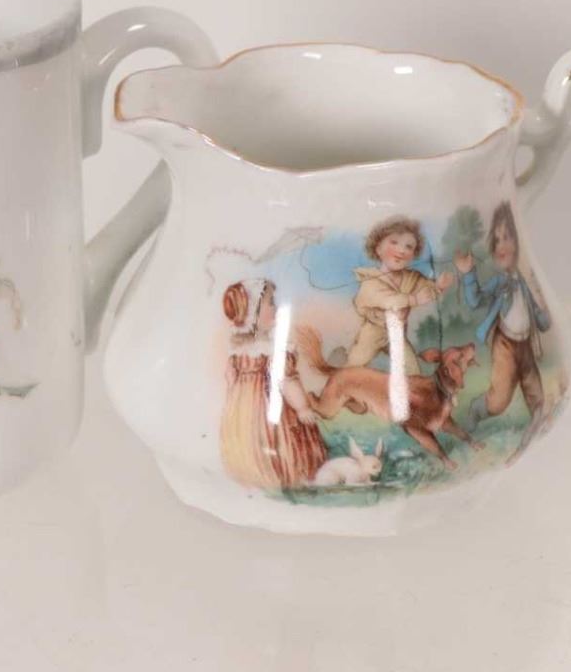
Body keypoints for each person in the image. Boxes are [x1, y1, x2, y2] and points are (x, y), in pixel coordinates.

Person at [219, 279, 327, 490]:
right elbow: (286, 380)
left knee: (247, 438)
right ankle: (284, 474)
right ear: (253, 312)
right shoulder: (272, 350)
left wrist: (234, 399)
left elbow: (230, 378)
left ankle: (251, 474)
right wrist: (302, 407)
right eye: (270, 303)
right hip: (270, 409)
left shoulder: (238, 351)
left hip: (243, 411)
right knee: (278, 440)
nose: (276, 307)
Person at [456, 203, 552, 433]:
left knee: (537, 394)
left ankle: (535, 426)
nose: (501, 245)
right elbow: (475, 301)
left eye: (507, 237)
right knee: (498, 401)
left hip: (526, 345)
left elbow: (542, 321)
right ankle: (475, 410)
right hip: (505, 346)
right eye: (497, 240)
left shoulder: (525, 282)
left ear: (518, 241)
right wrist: (468, 274)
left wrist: (543, 307)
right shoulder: (500, 282)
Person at [348, 215, 453, 376]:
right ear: (378, 248)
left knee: (412, 370)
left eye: (409, 247)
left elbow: (426, 288)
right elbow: (388, 300)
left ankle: (411, 391)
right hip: (373, 332)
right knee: (354, 365)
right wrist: (413, 299)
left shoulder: (412, 277)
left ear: (413, 255)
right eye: (394, 242)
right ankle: (341, 385)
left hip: (397, 333)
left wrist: (438, 287)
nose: (401, 250)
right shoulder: (370, 281)